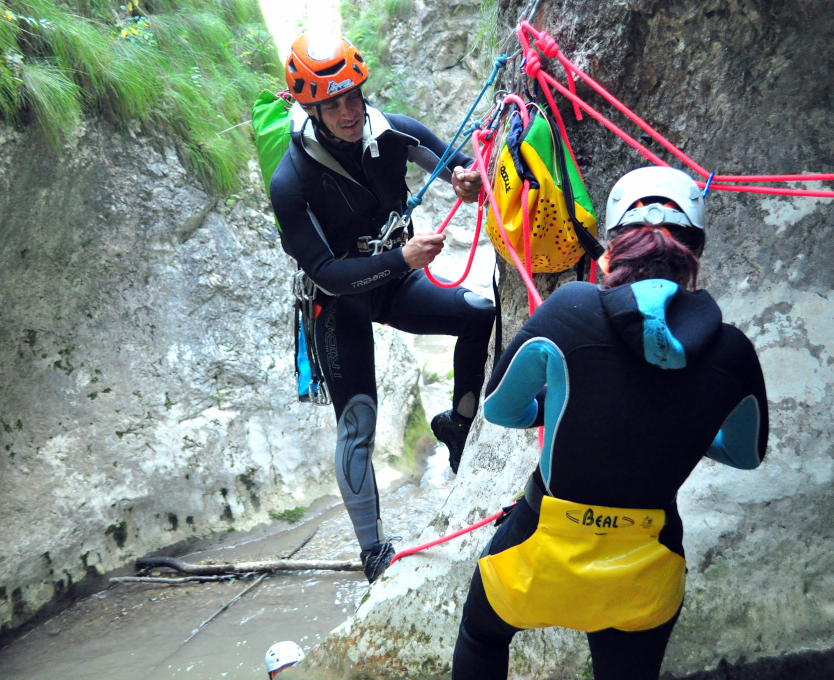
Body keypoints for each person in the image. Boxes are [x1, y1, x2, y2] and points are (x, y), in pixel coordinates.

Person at [451, 166, 769, 679]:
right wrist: (687, 431)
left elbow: (498, 409)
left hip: (539, 553)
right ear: (695, 251)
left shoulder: (571, 308)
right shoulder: (731, 352)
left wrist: (550, 408)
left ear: (613, 243)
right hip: (646, 568)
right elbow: (745, 454)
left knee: (481, 635)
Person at [269, 33, 495, 583]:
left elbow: (465, 169)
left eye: (355, 96)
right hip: (335, 305)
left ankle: (457, 427)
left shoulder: (394, 134)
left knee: (479, 313)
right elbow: (324, 272)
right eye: (334, 102)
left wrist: (469, 182)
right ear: (310, 107)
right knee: (358, 423)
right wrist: (402, 259)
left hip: (394, 282)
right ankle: (373, 551)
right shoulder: (290, 181)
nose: (350, 111)